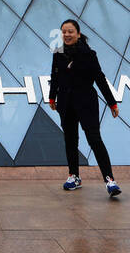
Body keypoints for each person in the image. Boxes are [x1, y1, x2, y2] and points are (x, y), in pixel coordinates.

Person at [48, 18, 121, 198]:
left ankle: (109, 180)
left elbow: (100, 79)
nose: (66, 34)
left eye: (70, 31)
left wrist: (112, 102)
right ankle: (74, 176)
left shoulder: (89, 54)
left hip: (86, 103)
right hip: (65, 103)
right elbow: (54, 76)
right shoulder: (58, 54)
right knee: (70, 140)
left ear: (78, 34)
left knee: (95, 140)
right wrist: (52, 96)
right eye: (63, 31)